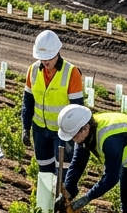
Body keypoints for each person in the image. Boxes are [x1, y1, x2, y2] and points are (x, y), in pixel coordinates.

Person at [21, 29, 85, 175]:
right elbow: (27, 102)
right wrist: (26, 128)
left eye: (48, 57)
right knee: (44, 171)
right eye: (42, 57)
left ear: (57, 52)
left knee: (63, 171)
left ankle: (62, 197)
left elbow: (78, 107)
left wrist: (78, 135)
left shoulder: (71, 72)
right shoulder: (33, 70)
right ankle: (46, 198)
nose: (45, 61)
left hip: (63, 132)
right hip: (40, 130)